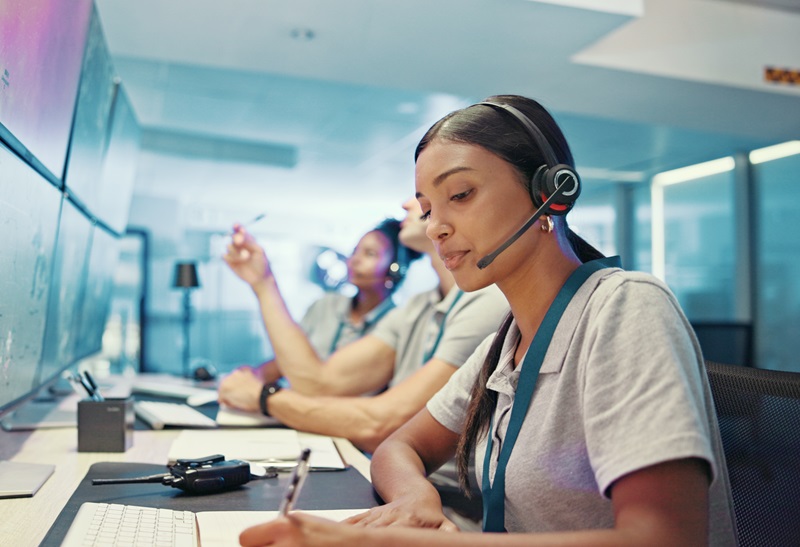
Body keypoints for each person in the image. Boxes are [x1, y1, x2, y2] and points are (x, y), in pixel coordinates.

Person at [238, 95, 737, 546]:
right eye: (428, 208)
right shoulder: (508, 341)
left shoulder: (625, 308)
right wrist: (415, 498)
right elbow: (398, 446)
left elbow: (664, 538)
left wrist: (387, 542)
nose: (436, 226)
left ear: (550, 191)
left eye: (460, 195)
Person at [218, 196, 509, 453]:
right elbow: (320, 382)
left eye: (423, 197)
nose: (406, 204)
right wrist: (263, 282)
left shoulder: (486, 301)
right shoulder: (419, 306)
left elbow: (382, 424)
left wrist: (265, 397)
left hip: (443, 499)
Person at [219, 218, 415, 398]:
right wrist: (254, 376)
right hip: (294, 412)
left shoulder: (399, 323)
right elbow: (288, 359)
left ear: (395, 269)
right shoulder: (325, 304)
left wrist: (263, 283)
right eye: (354, 251)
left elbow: (323, 385)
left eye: (369, 254)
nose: (354, 260)